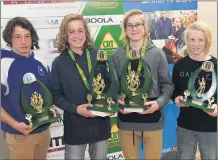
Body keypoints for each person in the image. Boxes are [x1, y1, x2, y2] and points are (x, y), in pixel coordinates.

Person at [112, 9, 174, 159]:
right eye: (130, 25)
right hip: (127, 121)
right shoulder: (117, 55)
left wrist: (159, 103)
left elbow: (167, 85)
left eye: (138, 24)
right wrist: (117, 99)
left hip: (152, 118)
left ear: (145, 27)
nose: (134, 29)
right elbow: (112, 87)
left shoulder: (158, 53)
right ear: (125, 29)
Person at [50, 14, 111, 159]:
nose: (77, 35)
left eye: (80, 30)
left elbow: (110, 85)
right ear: (65, 35)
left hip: (100, 124)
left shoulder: (99, 56)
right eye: (72, 32)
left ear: (86, 32)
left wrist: (111, 101)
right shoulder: (59, 63)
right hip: (75, 126)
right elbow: (56, 95)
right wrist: (75, 109)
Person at [1, 17, 51, 159]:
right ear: (10, 39)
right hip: (20, 135)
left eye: (27, 36)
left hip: (43, 131)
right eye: (18, 37)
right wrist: (15, 125)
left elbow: (50, 94)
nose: (23, 41)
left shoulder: (40, 61)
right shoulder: (4, 64)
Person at [172, 21, 217, 160]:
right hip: (185, 125)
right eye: (192, 39)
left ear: (207, 41)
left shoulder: (215, 65)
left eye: (200, 40)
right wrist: (177, 98)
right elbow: (174, 90)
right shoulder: (180, 65)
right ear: (187, 40)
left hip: (210, 126)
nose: (195, 44)